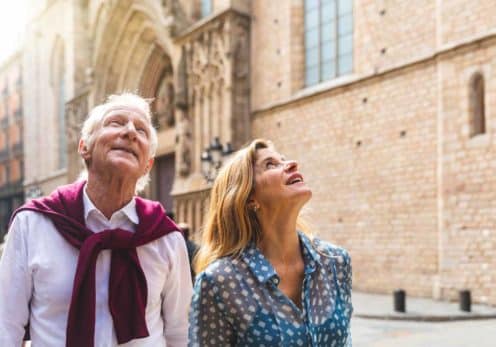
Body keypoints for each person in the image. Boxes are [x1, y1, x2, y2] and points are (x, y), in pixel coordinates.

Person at [0, 93, 193, 346]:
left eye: (142, 130)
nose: (130, 132)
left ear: (148, 164)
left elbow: (181, 332)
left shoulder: (165, 237)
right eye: (116, 122)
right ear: (84, 147)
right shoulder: (33, 224)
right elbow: (6, 326)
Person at [189, 139, 353, 346]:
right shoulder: (219, 282)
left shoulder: (335, 262)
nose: (292, 164)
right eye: (270, 164)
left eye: (283, 160)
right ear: (249, 198)